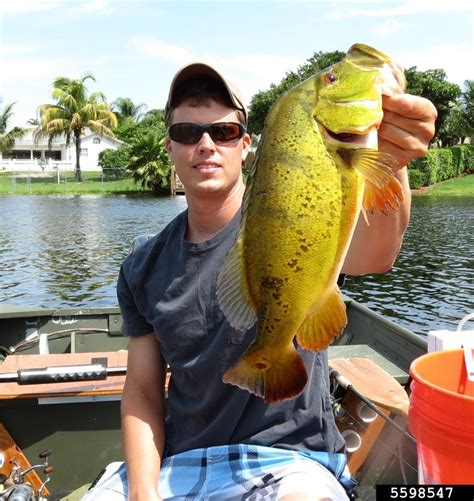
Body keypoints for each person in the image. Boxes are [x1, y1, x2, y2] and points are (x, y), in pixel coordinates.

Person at [82, 60, 437, 501]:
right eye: (187, 133)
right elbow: (141, 390)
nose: (206, 144)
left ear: (247, 145)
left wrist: (392, 159)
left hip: (293, 463)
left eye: (224, 132)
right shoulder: (142, 265)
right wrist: (143, 491)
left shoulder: (303, 216)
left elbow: (376, 254)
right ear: (170, 148)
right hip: (181, 464)